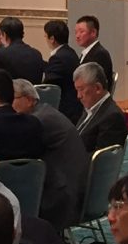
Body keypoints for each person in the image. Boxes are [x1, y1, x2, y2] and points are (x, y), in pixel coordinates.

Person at [13, 78, 89, 231]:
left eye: (12, 98)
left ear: (29, 100)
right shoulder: (46, 112)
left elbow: (18, 153)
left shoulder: (38, 121)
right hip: (73, 188)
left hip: (61, 197)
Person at [75, 62, 128, 158]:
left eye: (81, 89)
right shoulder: (91, 109)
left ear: (98, 88)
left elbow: (102, 160)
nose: (78, 96)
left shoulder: (112, 117)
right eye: (77, 90)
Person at [66, 14, 115, 94]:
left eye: (81, 31)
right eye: (76, 32)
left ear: (93, 32)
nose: (77, 36)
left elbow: (93, 84)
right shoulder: (87, 52)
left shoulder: (100, 54)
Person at [0, 16, 44, 85]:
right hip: (34, 92)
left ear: (4, 34)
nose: (0, 37)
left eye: (1, 34)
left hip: (12, 92)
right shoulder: (36, 54)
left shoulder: (1, 55)